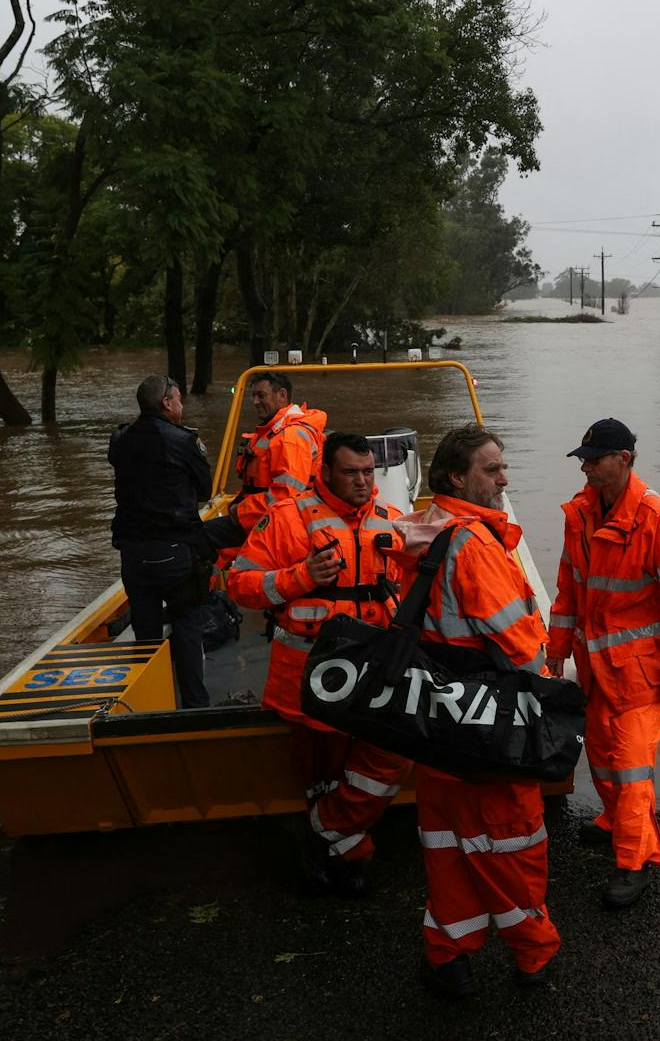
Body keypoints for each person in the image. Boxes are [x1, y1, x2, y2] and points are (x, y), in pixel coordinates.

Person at [391, 423, 559, 999]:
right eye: (492, 469)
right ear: (457, 477)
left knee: (447, 845)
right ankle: (533, 957)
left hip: (436, 723)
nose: (504, 478)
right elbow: (521, 646)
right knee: (513, 841)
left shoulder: (421, 530)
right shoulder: (477, 545)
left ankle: (448, 959)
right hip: (488, 726)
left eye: (503, 466)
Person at [226, 432, 412, 896]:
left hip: (373, 675)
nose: (363, 482)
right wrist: (302, 576)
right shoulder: (287, 520)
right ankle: (344, 853)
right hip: (309, 680)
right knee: (323, 780)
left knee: (388, 758)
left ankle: (325, 837)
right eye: (350, 473)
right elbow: (240, 584)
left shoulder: (392, 521)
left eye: (368, 473)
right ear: (325, 472)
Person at [546, 417, 660, 909]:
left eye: (593, 460)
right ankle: (615, 824)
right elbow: (569, 588)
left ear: (624, 461)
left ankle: (634, 862)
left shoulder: (655, 518)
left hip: (639, 671)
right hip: (594, 664)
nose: (586, 468)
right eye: (583, 461)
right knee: (602, 757)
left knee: (631, 767)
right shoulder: (582, 515)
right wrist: (556, 650)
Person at [109, 375, 213, 708]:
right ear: (167, 403)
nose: (182, 405)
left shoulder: (120, 439)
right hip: (174, 550)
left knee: (146, 631)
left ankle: (149, 703)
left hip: (132, 552)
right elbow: (205, 491)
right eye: (180, 399)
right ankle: (195, 706)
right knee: (187, 624)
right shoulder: (183, 441)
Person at [204, 370, 328, 550]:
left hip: (281, 524)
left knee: (199, 536)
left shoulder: (290, 438)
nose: (255, 402)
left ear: (282, 395)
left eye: (261, 395)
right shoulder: (276, 431)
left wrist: (240, 512)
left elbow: (286, 496)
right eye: (253, 396)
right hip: (265, 515)